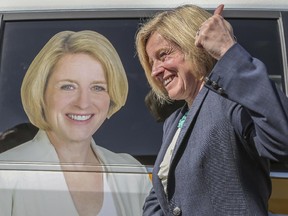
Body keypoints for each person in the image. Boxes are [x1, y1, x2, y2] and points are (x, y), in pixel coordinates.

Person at [135, 4, 288, 216]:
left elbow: (281, 137)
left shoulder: (231, 101)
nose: (155, 72)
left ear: (194, 45)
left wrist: (228, 51)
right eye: (151, 63)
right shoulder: (174, 121)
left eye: (163, 55)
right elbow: (163, 193)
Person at [0, 30, 151, 216]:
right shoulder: (6, 173)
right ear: (41, 93)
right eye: (68, 86)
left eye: (97, 87)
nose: (83, 103)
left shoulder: (132, 173)